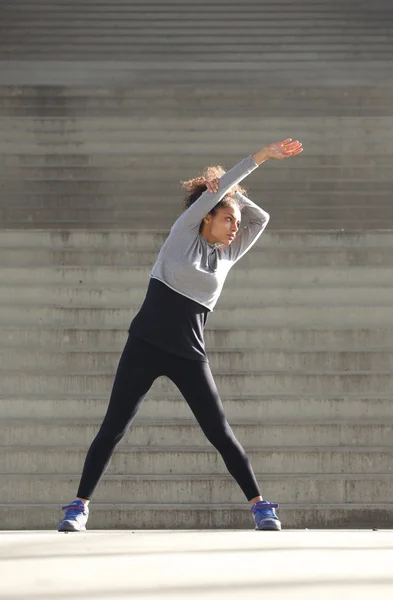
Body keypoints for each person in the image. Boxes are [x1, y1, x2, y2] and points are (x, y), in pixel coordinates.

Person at [57, 138, 303, 533]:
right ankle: (78, 507)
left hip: (189, 352)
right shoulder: (182, 234)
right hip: (144, 346)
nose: (235, 228)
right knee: (114, 427)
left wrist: (233, 192)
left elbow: (262, 220)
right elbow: (216, 199)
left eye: (236, 223)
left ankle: (260, 507)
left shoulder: (227, 254)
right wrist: (254, 162)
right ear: (206, 217)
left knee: (219, 431)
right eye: (227, 220)